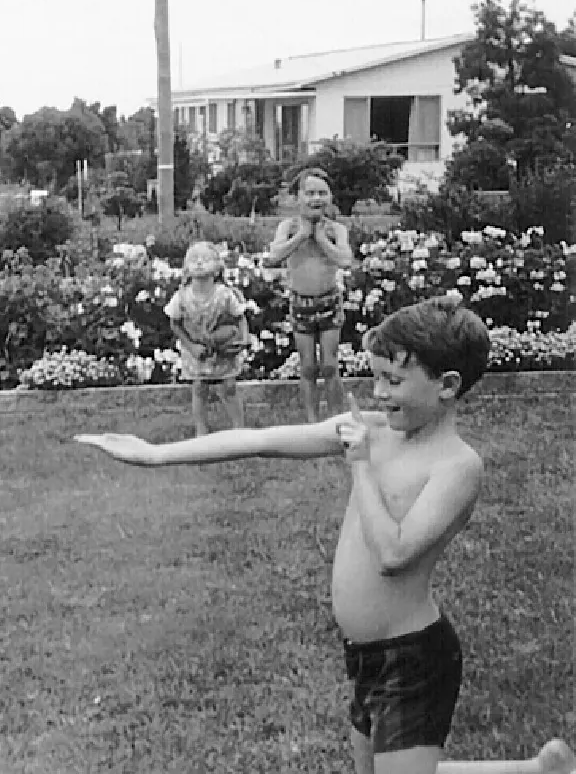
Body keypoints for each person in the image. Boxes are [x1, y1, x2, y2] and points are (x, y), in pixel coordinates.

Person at [73, 296, 491, 774]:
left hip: (413, 657)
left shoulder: (456, 466)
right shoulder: (372, 431)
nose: (377, 393)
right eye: (375, 377)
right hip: (366, 655)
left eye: (393, 381)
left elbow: (394, 554)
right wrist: (156, 454)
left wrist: (361, 466)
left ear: (447, 385)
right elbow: (261, 441)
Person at [266, 168, 353, 422]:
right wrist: (302, 235)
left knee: (329, 365)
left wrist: (322, 240)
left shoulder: (336, 230)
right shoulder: (288, 227)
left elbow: (345, 259)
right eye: (310, 193)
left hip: (329, 301)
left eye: (322, 193)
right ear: (298, 198)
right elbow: (274, 256)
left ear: (330, 197)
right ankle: (312, 421)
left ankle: (336, 419)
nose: (316, 198)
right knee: (308, 366)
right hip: (301, 302)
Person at [165, 240, 250, 437]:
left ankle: (239, 428)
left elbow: (240, 317)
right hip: (197, 350)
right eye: (194, 259)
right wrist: (191, 347)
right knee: (199, 387)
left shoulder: (224, 295)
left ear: (217, 268)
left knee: (229, 386)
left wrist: (244, 338)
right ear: (186, 268)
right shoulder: (182, 297)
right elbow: (175, 324)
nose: (199, 263)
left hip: (222, 349)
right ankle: (201, 429)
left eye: (205, 259)